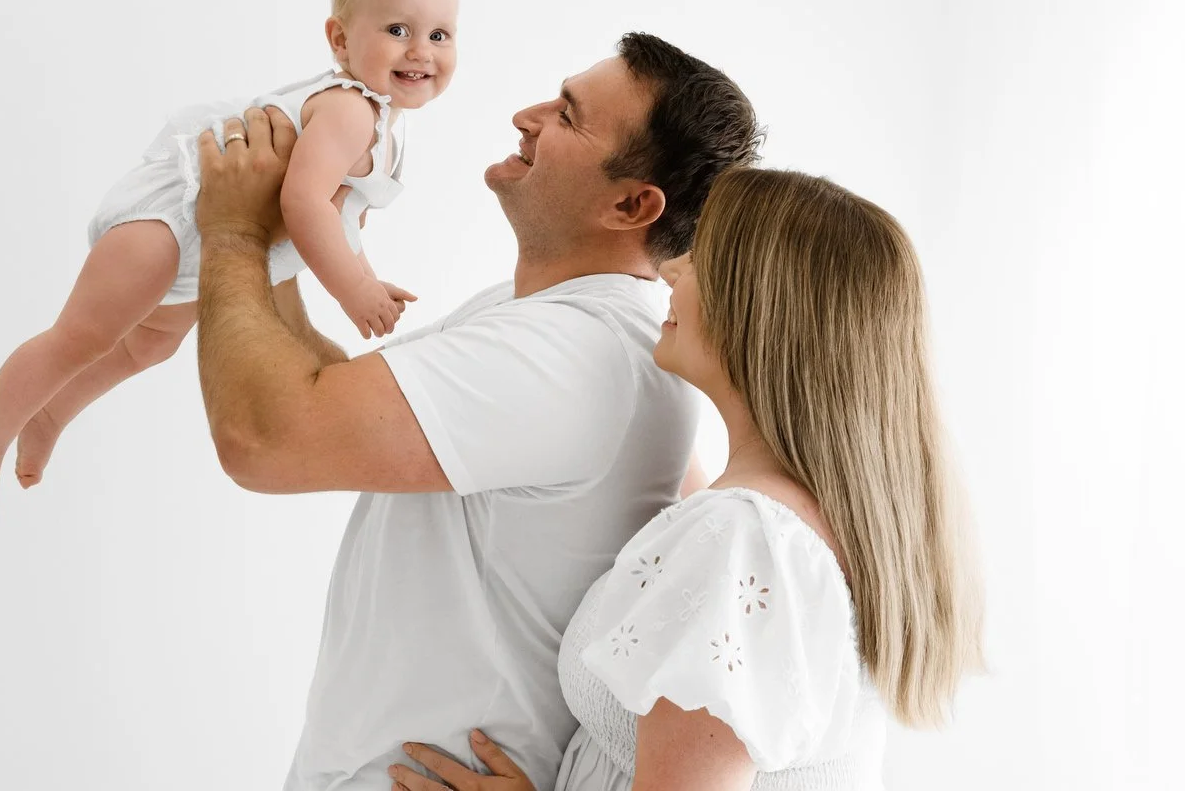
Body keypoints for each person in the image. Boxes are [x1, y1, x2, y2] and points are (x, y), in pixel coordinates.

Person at [190, 33, 763, 791]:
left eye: (566, 115)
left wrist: (228, 231)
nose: (526, 116)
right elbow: (330, 394)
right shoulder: (549, 323)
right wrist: (279, 244)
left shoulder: (572, 357)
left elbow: (264, 436)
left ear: (631, 204)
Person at [389, 169, 986, 791]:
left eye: (699, 258)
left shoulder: (744, 540)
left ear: (760, 307)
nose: (670, 271)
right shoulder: (819, 519)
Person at [0, 0, 458, 527]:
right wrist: (354, 291)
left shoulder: (384, 124)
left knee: (150, 344)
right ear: (341, 39)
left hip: (205, 246)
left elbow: (343, 217)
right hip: (168, 229)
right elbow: (303, 204)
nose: (421, 50)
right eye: (398, 29)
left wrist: (366, 274)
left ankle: (48, 413)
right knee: (80, 339)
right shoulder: (350, 109)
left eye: (440, 35)